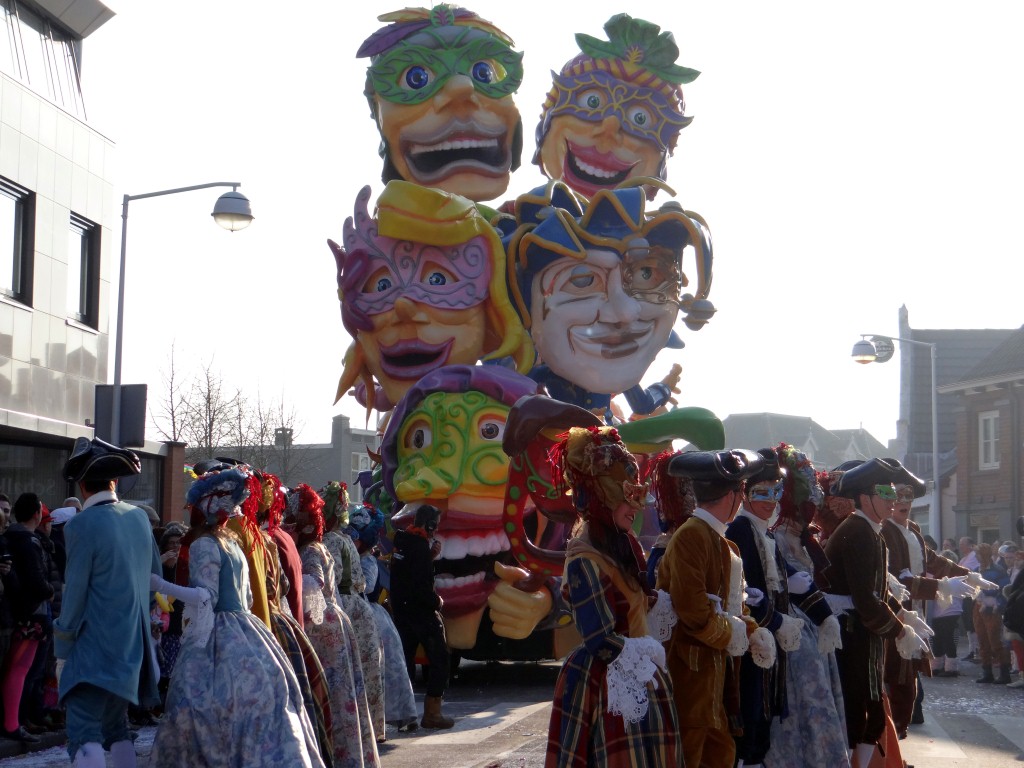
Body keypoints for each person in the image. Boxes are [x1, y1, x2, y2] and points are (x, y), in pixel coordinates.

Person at [150, 468, 325, 768]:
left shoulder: (205, 544)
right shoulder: (234, 542)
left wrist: (161, 585)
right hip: (251, 630)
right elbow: (249, 599)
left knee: (196, 704)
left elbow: (206, 597)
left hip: (221, 633)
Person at [545, 426, 680, 768]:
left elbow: (637, 603)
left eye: (639, 495)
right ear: (603, 496)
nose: (636, 505)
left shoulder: (623, 543)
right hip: (604, 683)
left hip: (635, 672)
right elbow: (599, 639)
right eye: (627, 495)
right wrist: (645, 651)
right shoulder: (583, 558)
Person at [655, 448, 768, 768]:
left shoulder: (724, 542)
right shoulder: (692, 535)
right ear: (732, 495)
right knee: (691, 754)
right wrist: (732, 632)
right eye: (742, 491)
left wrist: (753, 631)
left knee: (720, 753)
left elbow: (735, 606)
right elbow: (693, 610)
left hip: (714, 674)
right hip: (689, 671)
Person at [55, 437, 162, 768]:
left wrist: (62, 649)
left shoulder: (81, 524)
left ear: (83, 486)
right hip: (133, 648)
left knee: (83, 728)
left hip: (93, 647)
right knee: (117, 728)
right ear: (114, 482)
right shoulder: (139, 518)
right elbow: (152, 581)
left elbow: (75, 593)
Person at [821, 459, 932, 768]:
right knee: (858, 710)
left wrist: (907, 617)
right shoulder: (857, 531)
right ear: (864, 498)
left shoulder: (871, 531)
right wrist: (899, 631)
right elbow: (866, 599)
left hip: (861, 632)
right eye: (884, 491)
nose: (892, 499)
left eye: (893, 490)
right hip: (850, 633)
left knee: (869, 709)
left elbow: (879, 591)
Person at [768, 447, 849, 768]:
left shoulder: (800, 537)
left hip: (812, 631)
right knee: (803, 704)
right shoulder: (779, 537)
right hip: (793, 640)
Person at [292, 482, 381, 767]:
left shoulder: (324, 544)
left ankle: (341, 753)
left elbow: (317, 583)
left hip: (327, 619)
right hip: (343, 611)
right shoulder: (335, 540)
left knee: (335, 689)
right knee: (348, 688)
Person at [879, 472, 974, 737]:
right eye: (898, 496)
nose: (904, 501)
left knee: (909, 681)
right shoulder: (884, 531)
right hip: (895, 615)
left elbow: (933, 560)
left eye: (909, 496)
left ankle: (899, 736)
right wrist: (940, 587)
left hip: (916, 613)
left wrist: (966, 575)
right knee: (897, 680)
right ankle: (892, 741)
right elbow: (895, 580)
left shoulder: (913, 531)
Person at [322, 482, 385, 742]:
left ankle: (352, 728)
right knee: (365, 667)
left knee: (347, 669)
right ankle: (369, 728)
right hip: (356, 607)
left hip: (341, 604)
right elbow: (353, 579)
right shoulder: (344, 540)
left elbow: (334, 579)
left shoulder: (328, 541)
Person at [390, 503, 455, 729]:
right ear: (428, 525)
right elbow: (420, 586)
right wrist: (437, 601)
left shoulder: (403, 543)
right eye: (434, 526)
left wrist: (429, 557)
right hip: (421, 613)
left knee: (406, 663)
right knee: (440, 660)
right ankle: (432, 714)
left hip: (402, 612)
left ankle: (405, 716)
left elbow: (407, 575)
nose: (435, 531)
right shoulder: (418, 547)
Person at [2, 493, 54, 744]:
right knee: (20, 670)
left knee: (14, 669)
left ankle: (12, 721)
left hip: (14, 611)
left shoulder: (9, 538)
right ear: (37, 514)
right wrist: (50, 590)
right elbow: (36, 581)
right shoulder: (29, 541)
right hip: (31, 614)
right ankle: (12, 723)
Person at [973, 542, 1012, 684]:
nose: (976, 557)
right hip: (978, 607)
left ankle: (1004, 672)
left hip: (992, 609)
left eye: (978, 554)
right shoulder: (976, 570)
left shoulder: (998, 570)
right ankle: (987, 671)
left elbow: (1005, 590)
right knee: (982, 640)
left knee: (995, 640)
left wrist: (997, 603)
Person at [958, 537, 980, 662]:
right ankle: (972, 649)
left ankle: (976, 649)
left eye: (963, 544)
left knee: (972, 621)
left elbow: (969, 572)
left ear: (970, 546)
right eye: (960, 545)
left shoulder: (973, 557)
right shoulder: (963, 559)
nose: (961, 547)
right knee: (967, 621)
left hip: (972, 593)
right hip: (964, 594)